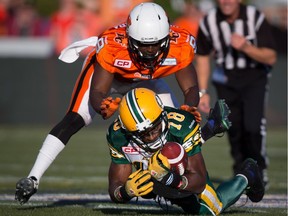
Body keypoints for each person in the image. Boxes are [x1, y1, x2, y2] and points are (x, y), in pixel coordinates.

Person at [14, 2, 229, 205]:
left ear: (166, 38)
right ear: (131, 39)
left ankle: (179, 171)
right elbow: (98, 91)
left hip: (147, 81)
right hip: (112, 78)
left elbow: (191, 89)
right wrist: (101, 104)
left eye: (155, 45)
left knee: (173, 130)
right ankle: (33, 178)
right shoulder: (112, 47)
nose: (151, 52)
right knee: (74, 119)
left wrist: (189, 106)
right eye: (144, 46)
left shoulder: (180, 44)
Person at [107, 87, 265, 215]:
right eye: (143, 133)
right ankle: (210, 128)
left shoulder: (181, 126)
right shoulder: (118, 136)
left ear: (163, 114)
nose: (152, 136)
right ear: (128, 131)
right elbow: (115, 186)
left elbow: (199, 181)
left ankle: (248, 174)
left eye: (154, 127)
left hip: (180, 174)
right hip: (153, 178)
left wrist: (170, 179)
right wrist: (125, 192)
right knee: (146, 186)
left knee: (209, 210)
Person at [195, 0, 277, 187]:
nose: (226, 1)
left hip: (254, 78)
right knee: (233, 128)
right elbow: (202, 55)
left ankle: (258, 167)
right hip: (225, 81)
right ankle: (241, 170)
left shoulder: (254, 18)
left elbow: (271, 57)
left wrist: (246, 47)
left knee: (253, 127)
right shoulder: (209, 22)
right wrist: (203, 91)